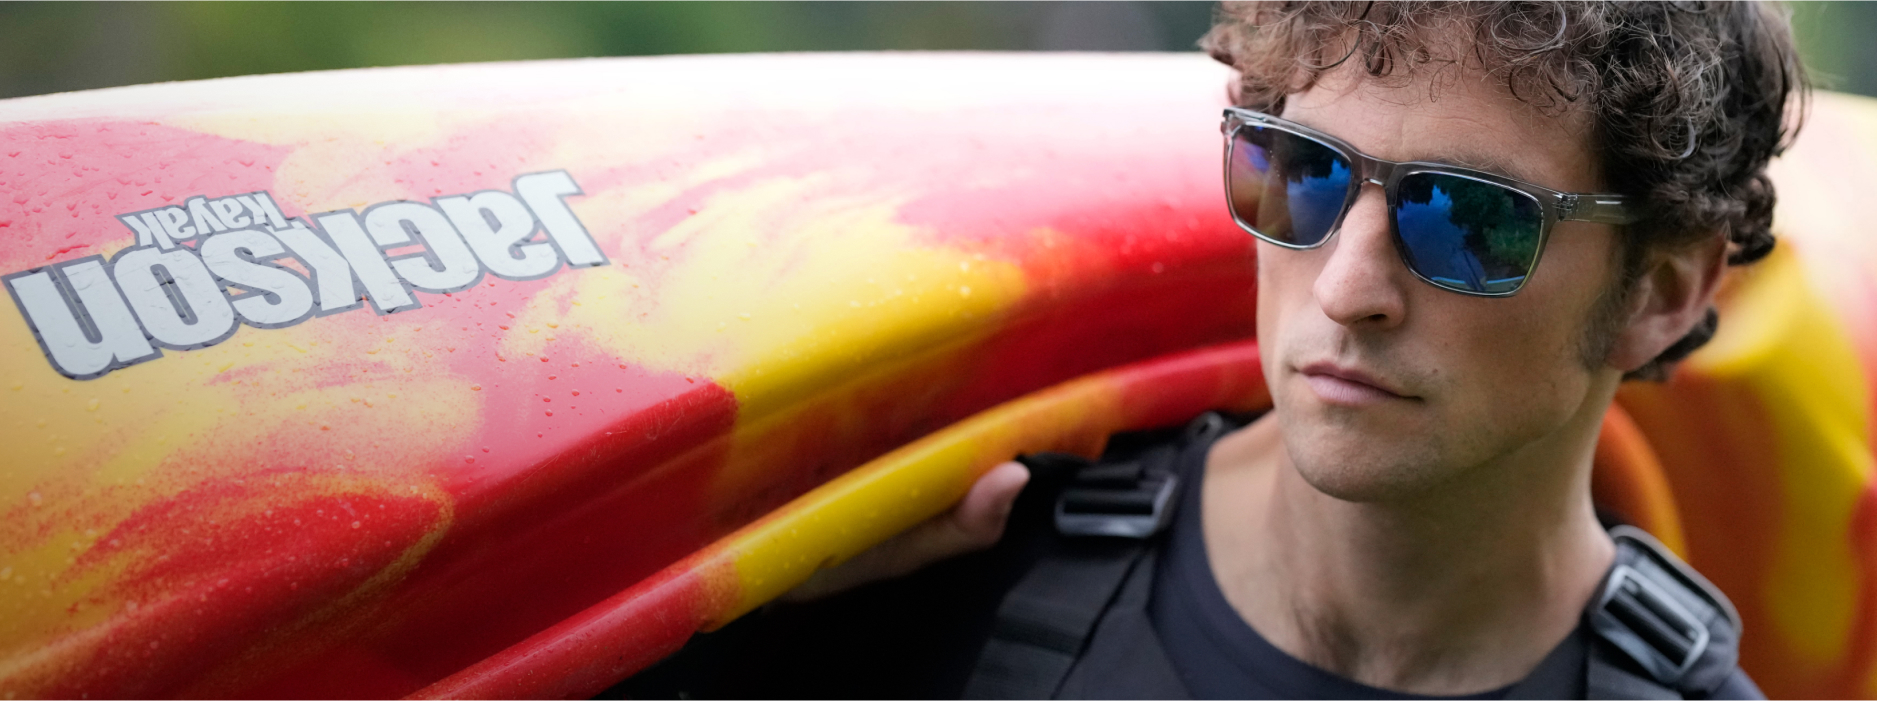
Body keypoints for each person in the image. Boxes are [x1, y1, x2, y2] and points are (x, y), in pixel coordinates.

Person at [606, 2, 1802, 698]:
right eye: (1301, 172)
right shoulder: (954, 575)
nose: (1347, 285)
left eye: (1467, 219)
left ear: (1660, 291)